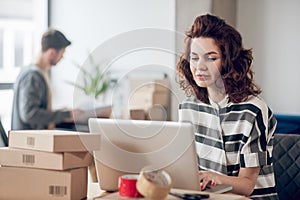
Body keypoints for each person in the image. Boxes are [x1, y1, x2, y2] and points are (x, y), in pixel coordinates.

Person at [176, 14, 278, 199]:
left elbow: (247, 185)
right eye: (194, 58)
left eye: (211, 58)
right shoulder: (187, 109)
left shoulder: (253, 111)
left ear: (228, 61)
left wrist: (212, 177)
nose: (200, 66)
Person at [11, 29, 82, 130]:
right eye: (62, 54)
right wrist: (65, 115)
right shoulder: (32, 76)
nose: (62, 58)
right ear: (52, 53)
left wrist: (59, 112)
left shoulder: (39, 73)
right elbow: (29, 114)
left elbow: (35, 108)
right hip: (30, 142)